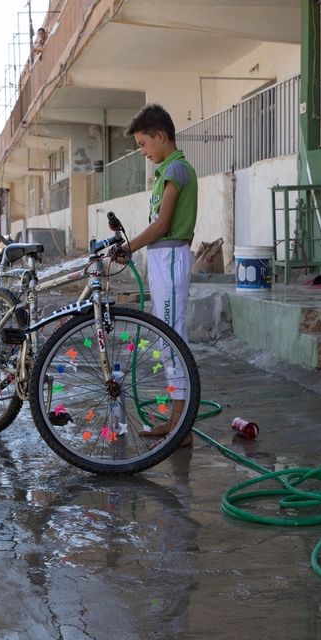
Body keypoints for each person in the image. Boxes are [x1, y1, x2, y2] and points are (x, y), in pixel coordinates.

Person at [113, 103, 197, 447]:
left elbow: (162, 225)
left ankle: (181, 427)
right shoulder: (165, 171)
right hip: (163, 258)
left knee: (172, 336)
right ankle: (178, 422)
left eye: (143, 145)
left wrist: (128, 247)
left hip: (172, 257)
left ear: (160, 136)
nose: (143, 152)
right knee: (165, 337)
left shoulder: (178, 170)